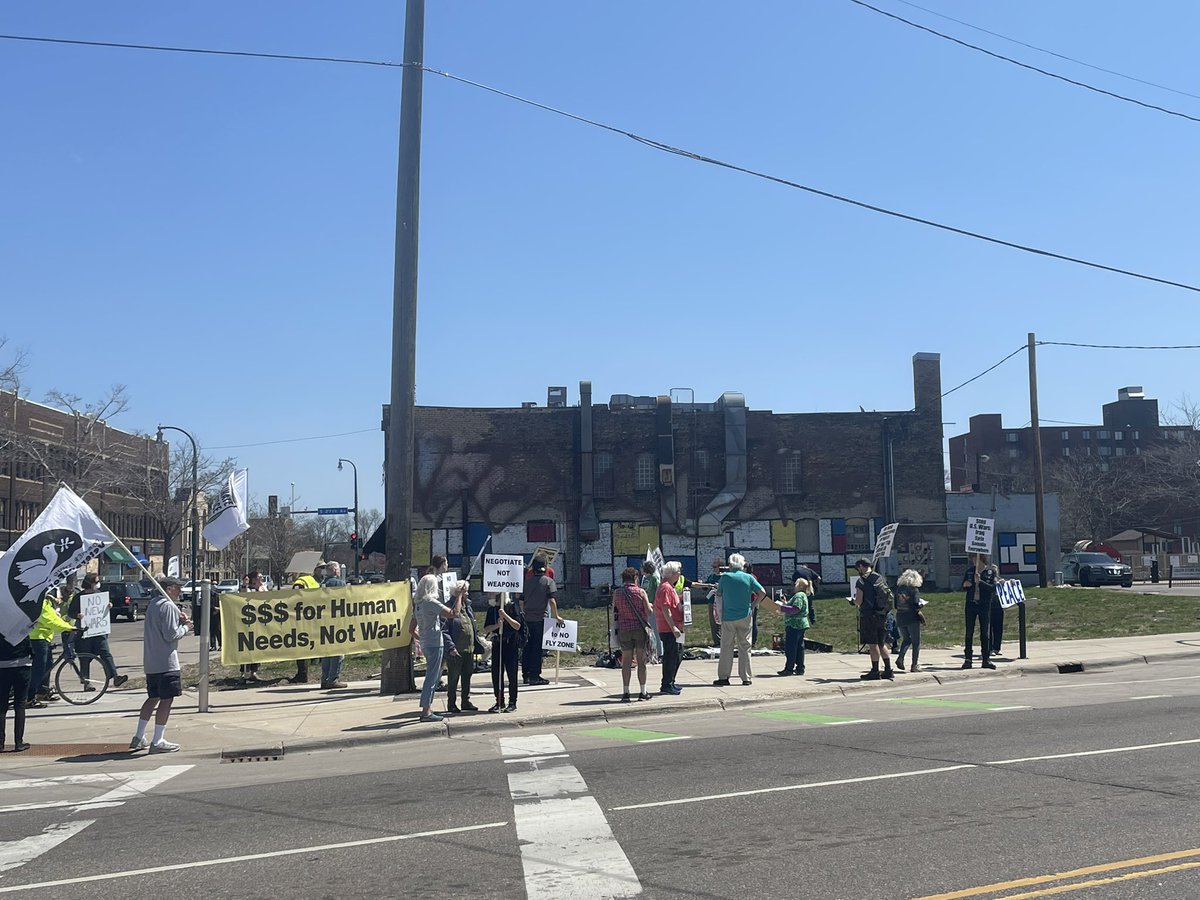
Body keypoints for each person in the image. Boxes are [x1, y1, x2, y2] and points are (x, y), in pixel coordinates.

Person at [130, 576, 191, 753]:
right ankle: (158, 740)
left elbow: (161, 628)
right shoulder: (169, 606)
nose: (180, 591)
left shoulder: (153, 605)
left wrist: (178, 622)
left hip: (151, 661)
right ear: (170, 588)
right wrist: (187, 626)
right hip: (166, 662)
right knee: (166, 700)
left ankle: (139, 735)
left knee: (153, 698)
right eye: (178, 587)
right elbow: (171, 635)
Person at [410, 555, 460, 722]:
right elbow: (454, 614)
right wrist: (458, 596)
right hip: (434, 642)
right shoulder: (431, 602)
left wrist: (422, 637)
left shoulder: (418, 604)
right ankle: (426, 711)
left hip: (425, 641)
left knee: (432, 676)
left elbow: (411, 629)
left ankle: (427, 708)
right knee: (432, 677)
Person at [67, 572, 128, 690]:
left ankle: (115, 677)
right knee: (85, 658)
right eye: (96, 582)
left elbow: (103, 608)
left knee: (105, 653)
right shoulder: (78, 597)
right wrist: (77, 615)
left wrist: (109, 605)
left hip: (99, 631)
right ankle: (86, 682)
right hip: (84, 632)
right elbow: (70, 612)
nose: (97, 584)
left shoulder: (100, 595)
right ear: (89, 583)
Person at [713, 553, 765, 687]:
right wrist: (753, 605)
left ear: (730, 565)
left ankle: (724, 677)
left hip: (728, 617)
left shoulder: (725, 578)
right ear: (742, 565)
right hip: (745, 615)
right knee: (745, 647)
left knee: (726, 647)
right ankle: (746, 677)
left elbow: (718, 594)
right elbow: (762, 592)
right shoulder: (748, 577)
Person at [519, 554, 563, 686]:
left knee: (527, 647)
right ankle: (535, 675)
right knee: (537, 649)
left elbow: (521, 601)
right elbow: (552, 601)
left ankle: (525, 675)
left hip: (527, 619)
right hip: (540, 619)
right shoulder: (548, 581)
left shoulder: (525, 582)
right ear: (545, 567)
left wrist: (523, 612)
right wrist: (557, 616)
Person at [26, 592, 74, 707]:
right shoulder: (39, 604)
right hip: (37, 638)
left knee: (47, 665)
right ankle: (29, 697)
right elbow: (49, 621)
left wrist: (68, 626)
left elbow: (54, 618)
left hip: (44, 638)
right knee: (39, 668)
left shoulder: (46, 602)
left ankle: (42, 691)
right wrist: (69, 627)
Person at [613, 567, 653, 702]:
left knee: (626, 661)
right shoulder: (641, 592)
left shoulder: (617, 593)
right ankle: (643, 692)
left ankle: (626, 692)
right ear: (635, 578)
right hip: (639, 629)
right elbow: (648, 611)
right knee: (641, 661)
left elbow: (616, 609)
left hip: (624, 629)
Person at [852, 558, 894, 681]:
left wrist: (853, 602)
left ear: (861, 566)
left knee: (872, 644)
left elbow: (859, 601)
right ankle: (888, 670)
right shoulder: (880, 578)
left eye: (858, 568)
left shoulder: (861, 581)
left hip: (868, 615)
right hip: (882, 615)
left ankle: (875, 671)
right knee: (881, 643)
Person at [484, 591, 522, 712]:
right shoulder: (492, 609)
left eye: (493, 594)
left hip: (510, 642)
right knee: (496, 673)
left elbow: (517, 626)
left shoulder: (512, 606)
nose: (490, 595)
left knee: (512, 673)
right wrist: (496, 625)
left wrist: (505, 616)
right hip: (497, 643)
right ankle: (499, 701)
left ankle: (512, 702)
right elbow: (486, 628)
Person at [444, 581, 478, 713]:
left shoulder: (467, 606)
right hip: (456, 650)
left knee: (467, 675)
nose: (468, 593)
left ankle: (465, 701)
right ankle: (451, 703)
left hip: (469, 649)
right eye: (465, 591)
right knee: (453, 677)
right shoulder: (448, 607)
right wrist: (451, 647)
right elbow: (444, 630)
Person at [288, 563, 324, 684]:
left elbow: (295, 597)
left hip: (302, 616)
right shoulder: (313, 581)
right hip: (314, 615)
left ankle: (302, 674)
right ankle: (314, 661)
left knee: (300, 646)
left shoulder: (300, 581)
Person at [654, 561, 685, 695]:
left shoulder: (670, 587)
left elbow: (673, 603)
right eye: (678, 571)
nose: (680, 574)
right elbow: (666, 609)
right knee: (671, 655)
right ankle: (666, 684)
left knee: (679, 654)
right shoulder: (665, 587)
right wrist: (673, 628)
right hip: (669, 629)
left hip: (677, 627)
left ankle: (671, 681)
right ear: (672, 574)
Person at [962, 555, 996, 670]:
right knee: (969, 632)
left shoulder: (990, 572)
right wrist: (966, 585)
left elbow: (992, 588)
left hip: (984, 605)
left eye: (975, 558)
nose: (973, 561)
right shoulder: (970, 571)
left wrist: (980, 582)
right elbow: (964, 585)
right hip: (971, 604)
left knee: (984, 633)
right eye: (972, 559)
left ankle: (986, 659)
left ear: (981, 559)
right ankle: (968, 659)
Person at [0, 632, 32, 752]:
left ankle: (0, 742)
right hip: (21, 665)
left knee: (1, 706)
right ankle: (18, 742)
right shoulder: (20, 625)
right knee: (19, 704)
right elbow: (29, 647)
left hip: (2, 667)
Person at [319, 562, 348, 690]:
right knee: (338, 651)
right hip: (337, 621)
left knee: (327, 651)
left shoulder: (322, 585)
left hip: (324, 621)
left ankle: (324, 679)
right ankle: (333, 679)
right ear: (335, 570)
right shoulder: (340, 584)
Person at [777, 577, 811, 676]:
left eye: (796, 584)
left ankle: (789, 668)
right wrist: (785, 603)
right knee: (799, 647)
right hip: (801, 624)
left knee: (791, 647)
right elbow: (794, 607)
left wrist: (782, 608)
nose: (794, 586)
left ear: (799, 586)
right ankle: (800, 668)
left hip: (794, 625)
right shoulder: (803, 595)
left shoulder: (799, 595)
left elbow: (796, 609)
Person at [894, 569, 924, 673]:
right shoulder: (914, 590)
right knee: (916, 642)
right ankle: (914, 665)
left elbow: (895, 605)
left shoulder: (898, 589)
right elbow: (915, 604)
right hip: (911, 617)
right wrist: (921, 605)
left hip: (900, 616)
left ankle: (900, 658)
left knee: (906, 639)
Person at [240, 570, 267, 683]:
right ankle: (244, 672)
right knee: (246, 647)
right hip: (248, 624)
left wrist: (262, 588)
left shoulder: (262, 589)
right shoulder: (248, 589)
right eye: (260, 577)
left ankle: (253, 672)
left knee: (257, 647)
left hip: (259, 623)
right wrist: (245, 584)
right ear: (254, 579)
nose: (262, 579)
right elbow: (243, 595)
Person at [641, 560, 663, 663]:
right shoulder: (644, 579)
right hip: (645, 607)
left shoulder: (654, 578)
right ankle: (649, 653)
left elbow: (658, 592)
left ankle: (660, 653)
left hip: (653, 607)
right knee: (647, 632)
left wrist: (655, 604)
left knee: (655, 631)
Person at [704, 558, 724, 646]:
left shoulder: (725, 576)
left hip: (723, 601)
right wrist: (704, 585)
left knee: (723, 621)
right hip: (712, 601)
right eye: (713, 567)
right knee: (713, 621)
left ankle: (724, 639)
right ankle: (717, 641)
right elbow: (705, 587)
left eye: (715, 567)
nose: (713, 568)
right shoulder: (711, 577)